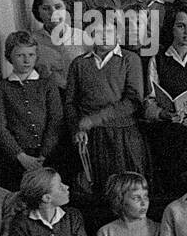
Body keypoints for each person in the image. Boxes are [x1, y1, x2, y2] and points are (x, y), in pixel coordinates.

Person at [64, 16, 150, 198]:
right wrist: (76, 129)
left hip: (123, 136)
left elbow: (133, 100)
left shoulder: (129, 59)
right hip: (91, 139)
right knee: (99, 191)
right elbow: (70, 103)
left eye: (109, 32)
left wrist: (95, 118)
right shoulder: (79, 64)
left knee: (128, 191)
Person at [144, 0, 187, 201]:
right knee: (172, 190)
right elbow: (148, 102)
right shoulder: (158, 58)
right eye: (181, 26)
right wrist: (164, 114)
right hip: (169, 136)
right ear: (171, 27)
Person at [0, 31, 63, 191]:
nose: (26, 60)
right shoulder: (1, 87)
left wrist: (42, 156)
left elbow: (55, 121)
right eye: (20, 55)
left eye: (31, 54)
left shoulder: (47, 85)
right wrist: (20, 156)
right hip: (15, 159)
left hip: (48, 156)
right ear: (9, 57)